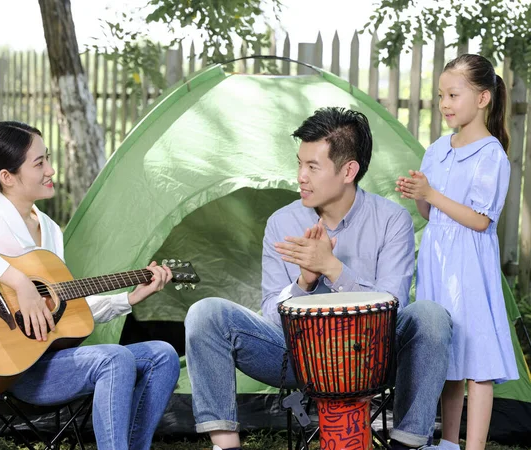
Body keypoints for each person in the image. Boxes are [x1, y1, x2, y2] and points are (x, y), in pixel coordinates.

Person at [185, 107, 453, 450]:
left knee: (431, 315)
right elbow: (269, 314)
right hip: (300, 358)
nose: (301, 176)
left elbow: (392, 306)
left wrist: (333, 268)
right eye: (299, 163)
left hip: (372, 356)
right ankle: (226, 446)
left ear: (348, 171)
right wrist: (305, 281)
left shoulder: (391, 220)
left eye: (313, 167)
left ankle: (406, 445)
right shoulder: (282, 224)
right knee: (205, 314)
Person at [0, 121, 180, 450]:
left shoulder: (50, 230)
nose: (51, 169)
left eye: (47, 158)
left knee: (162, 355)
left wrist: (129, 298)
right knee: (115, 359)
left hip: (52, 362)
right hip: (12, 369)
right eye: (39, 163)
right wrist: (18, 280)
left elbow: (65, 307)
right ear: (7, 177)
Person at [396, 54, 517, 450]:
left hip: (469, 263)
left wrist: (432, 193)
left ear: (483, 98)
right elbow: (432, 214)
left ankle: (474, 446)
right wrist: (420, 195)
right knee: (445, 354)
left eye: (453, 94)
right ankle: (448, 443)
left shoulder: (490, 154)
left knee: (476, 361)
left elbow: (481, 220)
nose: (444, 103)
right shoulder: (436, 149)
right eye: (440, 95)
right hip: (437, 258)